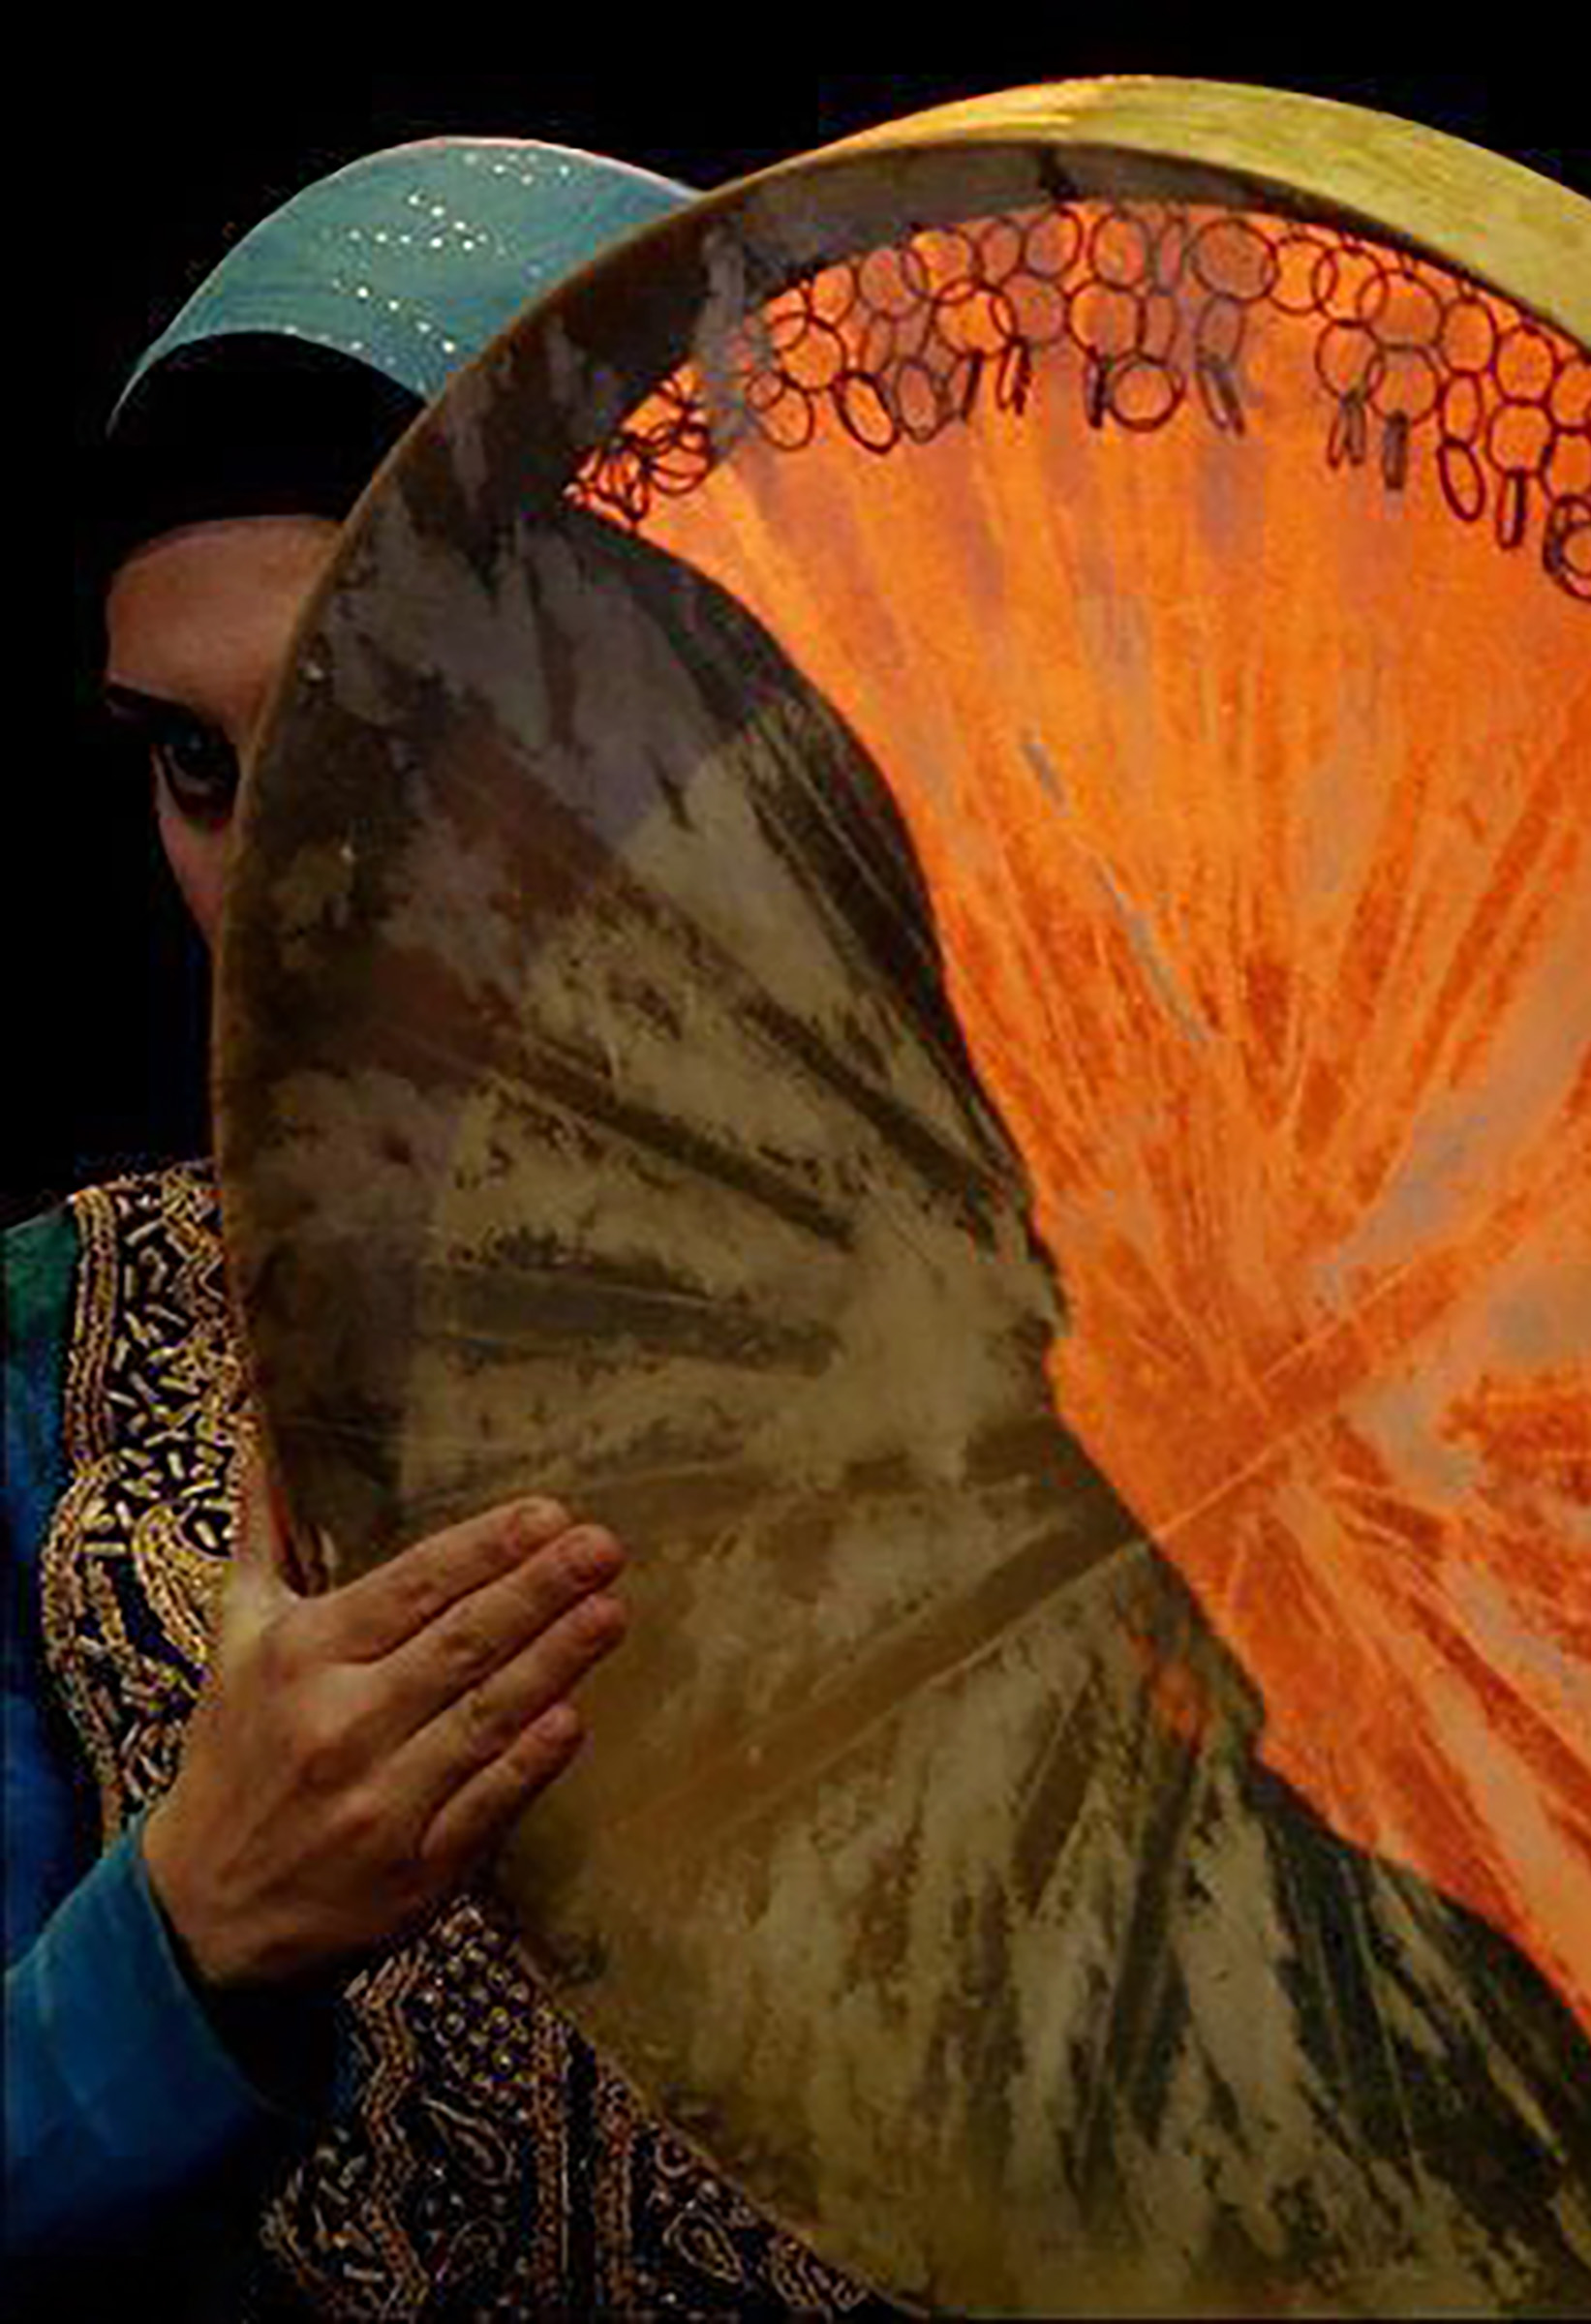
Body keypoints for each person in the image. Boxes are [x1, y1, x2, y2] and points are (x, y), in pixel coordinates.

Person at [8, 135, 872, 2317]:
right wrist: (187, 1936)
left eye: (388, 735)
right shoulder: (58, 1364)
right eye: (199, 771)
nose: (278, 892)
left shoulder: (1138, 1338)